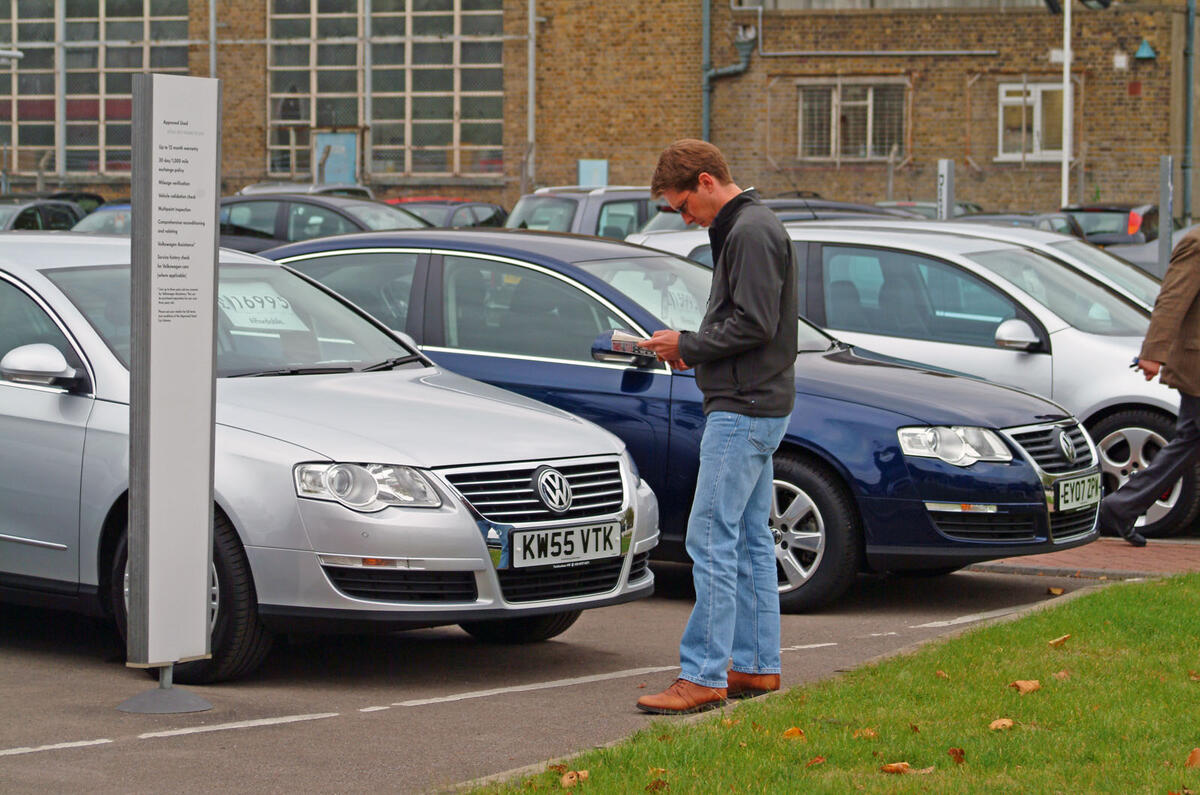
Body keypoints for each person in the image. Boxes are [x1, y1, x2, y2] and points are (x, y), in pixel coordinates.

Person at [635, 140, 798, 715]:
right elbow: (752, 324)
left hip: (742, 407)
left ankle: (703, 674)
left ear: (706, 181)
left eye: (683, 206)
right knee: (750, 538)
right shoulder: (751, 226)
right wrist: (695, 349)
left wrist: (690, 345)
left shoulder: (749, 230)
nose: (685, 218)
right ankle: (754, 665)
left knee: (709, 537)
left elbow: (754, 323)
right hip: (756, 401)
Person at [1099, 226, 1200, 547]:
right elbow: (1172, 300)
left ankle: (1120, 507)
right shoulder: (1197, 243)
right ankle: (1119, 507)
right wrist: (1153, 354)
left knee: (1188, 442)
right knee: (1189, 440)